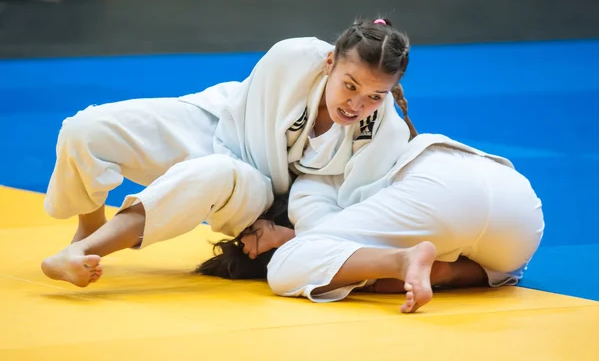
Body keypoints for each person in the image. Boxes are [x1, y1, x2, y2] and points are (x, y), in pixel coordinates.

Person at [40, 17, 417, 288]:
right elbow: (244, 120)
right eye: (349, 86)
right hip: (221, 122)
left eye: (374, 97)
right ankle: (87, 228)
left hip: (265, 196)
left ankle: (85, 253)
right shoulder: (293, 56)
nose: (356, 104)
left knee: (215, 172)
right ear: (330, 62)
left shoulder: (383, 136)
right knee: (84, 129)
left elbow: (345, 217)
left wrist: (282, 232)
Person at [200, 134, 545, 314]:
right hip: (519, 227)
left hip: (440, 184)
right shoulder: (342, 230)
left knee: (285, 269)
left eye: (248, 233)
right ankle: (420, 267)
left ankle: (404, 261)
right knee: (495, 269)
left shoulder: (308, 188)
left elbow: (309, 238)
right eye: (249, 253)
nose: (247, 244)